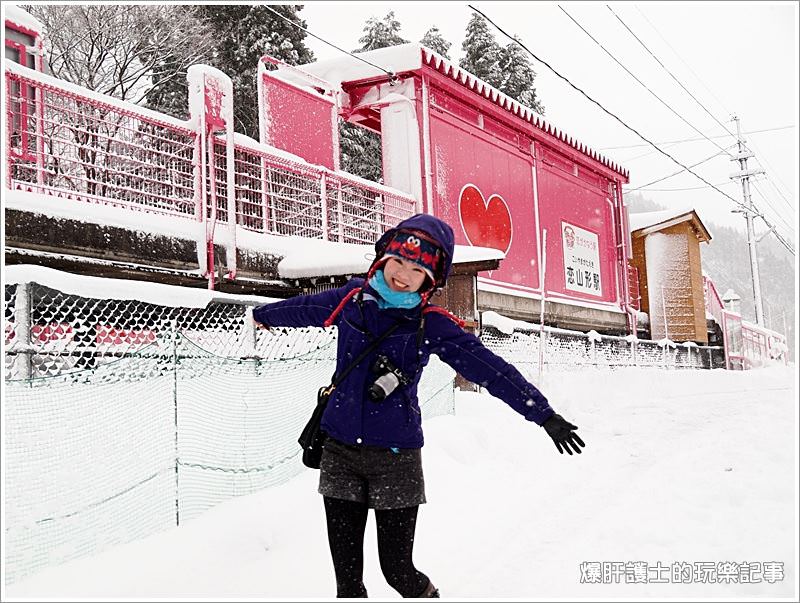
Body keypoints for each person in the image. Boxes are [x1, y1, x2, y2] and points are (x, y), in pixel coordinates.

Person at [253, 213, 585, 598]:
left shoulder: (429, 324)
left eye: (418, 269)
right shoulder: (351, 300)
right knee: (347, 583)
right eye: (398, 261)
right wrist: (263, 315)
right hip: (340, 452)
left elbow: (491, 370)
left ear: (432, 279)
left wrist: (543, 414)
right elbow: (304, 309)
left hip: (396, 460)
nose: (403, 274)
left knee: (398, 571)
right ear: (383, 258)